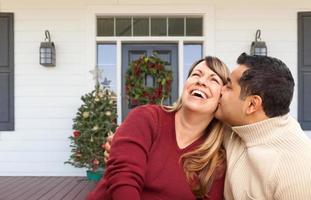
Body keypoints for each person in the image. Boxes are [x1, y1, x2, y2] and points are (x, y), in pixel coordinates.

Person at [103, 53, 311, 199]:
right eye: (195, 75)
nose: (204, 83)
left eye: (225, 85)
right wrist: (122, 148)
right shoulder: (233, 130)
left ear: (251, 105)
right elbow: (124, 171)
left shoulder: (297, 168)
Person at [87, 56, 230, 200]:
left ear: (222, 97)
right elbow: (123, 177)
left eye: (214, 80)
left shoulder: (216, 160)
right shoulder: (147, 117)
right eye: (196, 75)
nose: (201, 81)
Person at [216, 53, 311, 199]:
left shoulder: (297, 169)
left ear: (252, 104)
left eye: (228, 87)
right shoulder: (235, 127)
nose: (220, 90)